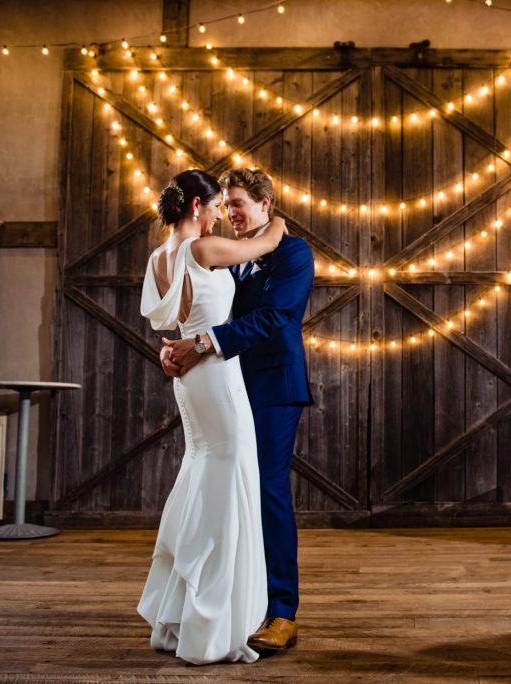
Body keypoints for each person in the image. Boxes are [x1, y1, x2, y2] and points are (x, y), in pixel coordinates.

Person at [160, 167, 314, 654]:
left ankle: (283, 613)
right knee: (232, 491)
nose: (231, 213)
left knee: (267, 491)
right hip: (229, 386)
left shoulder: (294, 253)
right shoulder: (232, 257)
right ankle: (235, 604)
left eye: (240, 204)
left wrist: (204, 343)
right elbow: (199, 309)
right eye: (226, 205)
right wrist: (173, 347)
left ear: (267, 203)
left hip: (273, 386)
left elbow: (276, 317)